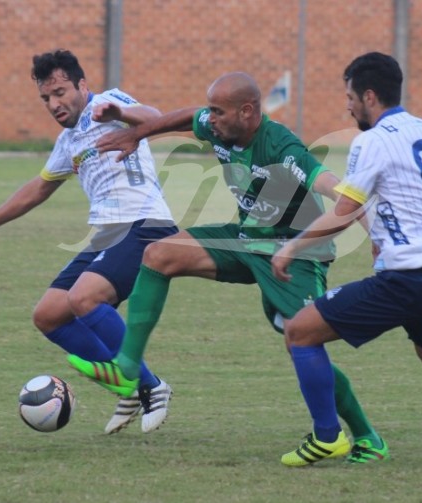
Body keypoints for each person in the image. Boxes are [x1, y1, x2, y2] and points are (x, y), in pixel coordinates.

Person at [68, 71, 390, 465]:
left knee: (301, 340)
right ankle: (127, 366)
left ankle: (353, 436)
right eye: (212, 111)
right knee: (158, 255)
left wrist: (372, 230)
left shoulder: (280, 144)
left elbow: (330, 184)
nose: (211, 119)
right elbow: (188, 116)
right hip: (245, 239)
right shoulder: (221, 128)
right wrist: (139, 131)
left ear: (248, 111)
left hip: (296, 253)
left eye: (219, 112)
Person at [270, 52, 422, 468]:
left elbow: (344, 212)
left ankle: (327, 437)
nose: (348, 105)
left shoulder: (369, 142)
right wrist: (409, 194)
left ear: (369, 96)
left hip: (404, 279)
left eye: (351, 96)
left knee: (299, 332)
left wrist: (291, 247)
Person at [0, 49, 178, 435]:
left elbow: (157, 120)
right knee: (49, 315)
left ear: (82, 85)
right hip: (107, 233)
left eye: (60, 92)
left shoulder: (107, 102)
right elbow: (38, 189)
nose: (54, 104)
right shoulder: (68, 139)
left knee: (84, 298)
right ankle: (132, 390)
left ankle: (150, 387)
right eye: (46, 98)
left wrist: (119, 115)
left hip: (144, 225)